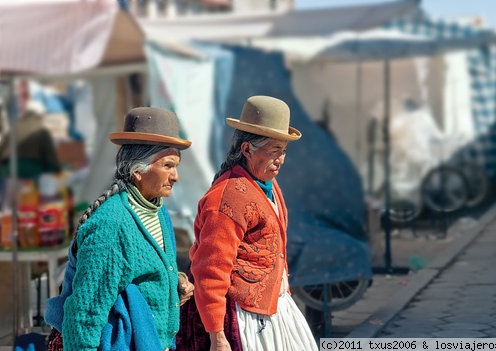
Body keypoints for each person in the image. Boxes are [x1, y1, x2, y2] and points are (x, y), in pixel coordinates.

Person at [44, 107, 195, 351]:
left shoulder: (158, 209)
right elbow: (85, 312)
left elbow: (146, 272)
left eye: (176, 166)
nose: (175, 176)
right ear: (138, 171)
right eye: (168, 165)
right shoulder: (112, 226)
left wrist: (173, 282)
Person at [177, 95, 318, 351]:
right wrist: (217, 338)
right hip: (240, 317)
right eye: (274, 150)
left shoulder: (268, 185)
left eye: (284, 150)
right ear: (246, 149)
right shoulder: (229, 197)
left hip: (272, 307)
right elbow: (211, 271)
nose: (281, 159)